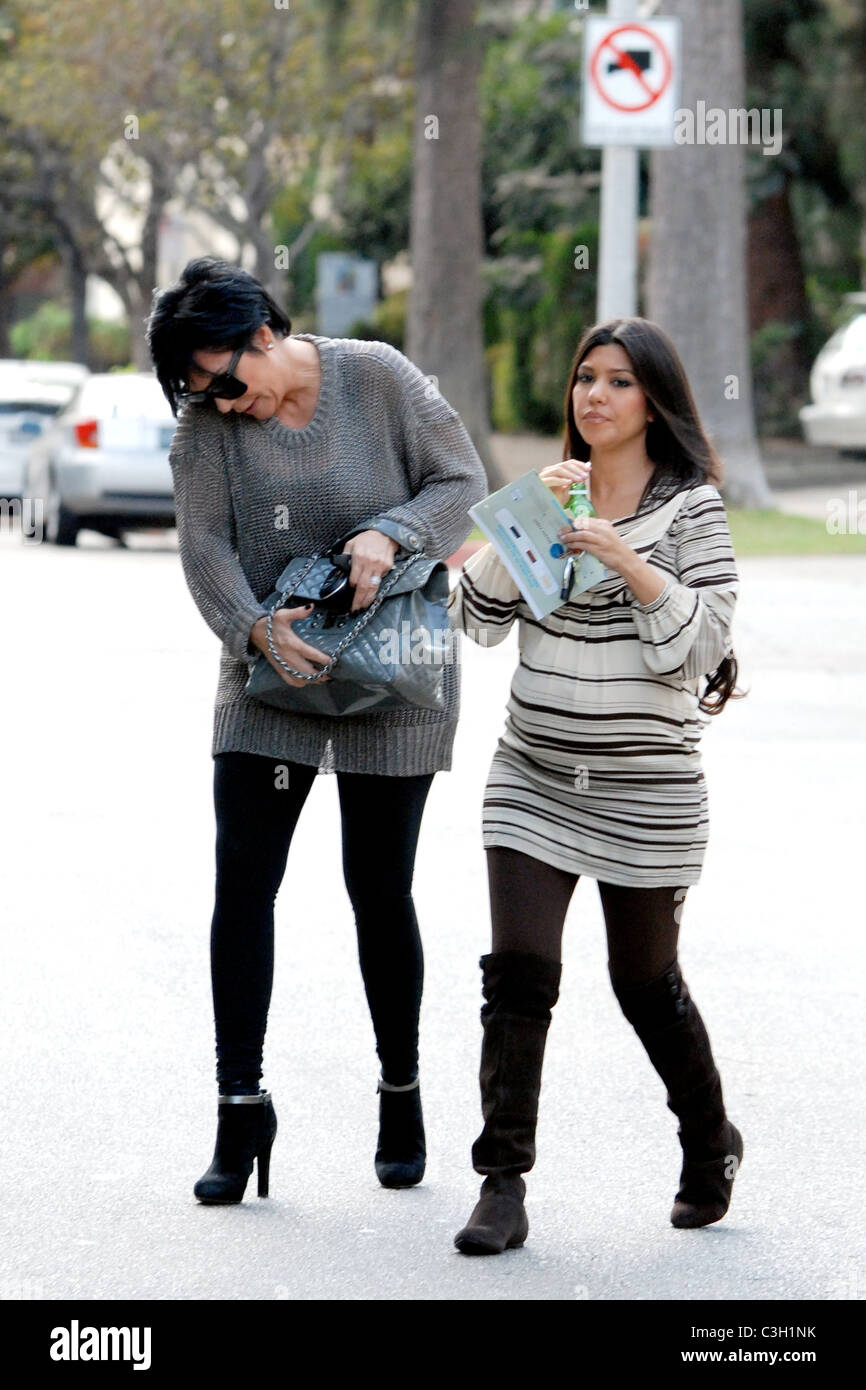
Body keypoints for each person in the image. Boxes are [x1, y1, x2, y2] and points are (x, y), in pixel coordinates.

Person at [146, 257, 487, 1204]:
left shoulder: (375, 376)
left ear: (261, 331)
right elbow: (204, 541)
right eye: (196, 392)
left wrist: (390, 532)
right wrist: (252, 626)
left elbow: (462, 480)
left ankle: (402, 1093)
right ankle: (238, 1105)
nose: (218, 403)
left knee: (379, 892)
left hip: (392, 678)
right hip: (265, 676)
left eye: (222, 379)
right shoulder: (206, 429)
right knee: (242, 888)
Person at [448, 316, 746, 1255]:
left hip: (647, 787)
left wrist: (625, 559)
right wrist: (523, 516)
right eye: (585, 378)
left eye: (618, 381)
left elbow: (702, 644)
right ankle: (502, 1182)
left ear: (653, 399)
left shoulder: (691, 510)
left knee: (644, 981)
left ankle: (710, 1142)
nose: (595, 396)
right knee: (519, 975)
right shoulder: (550, 491)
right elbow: (481, 618)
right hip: (532, 774)